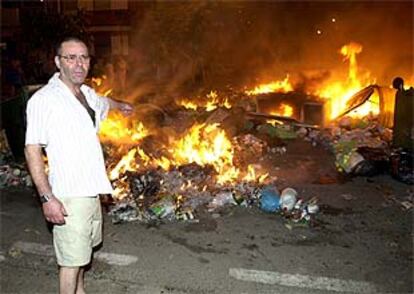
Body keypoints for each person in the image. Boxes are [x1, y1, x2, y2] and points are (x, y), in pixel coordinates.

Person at [24, 37, 133, 294]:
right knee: (71, 263)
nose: (78, 64)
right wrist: (47, 197)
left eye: (83, 57)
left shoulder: (85, 94)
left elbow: (103, 102)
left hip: (91, 191)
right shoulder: (44, 100)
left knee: (83, 253)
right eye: (70, 58)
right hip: (68, 194)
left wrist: (122, 105)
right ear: (57, 62)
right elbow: (32, 150)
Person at [392, 77, 414, 152]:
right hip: (401, 121)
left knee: (406, 136)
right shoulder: (400, 94)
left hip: (405, 121)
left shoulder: (406, 95)